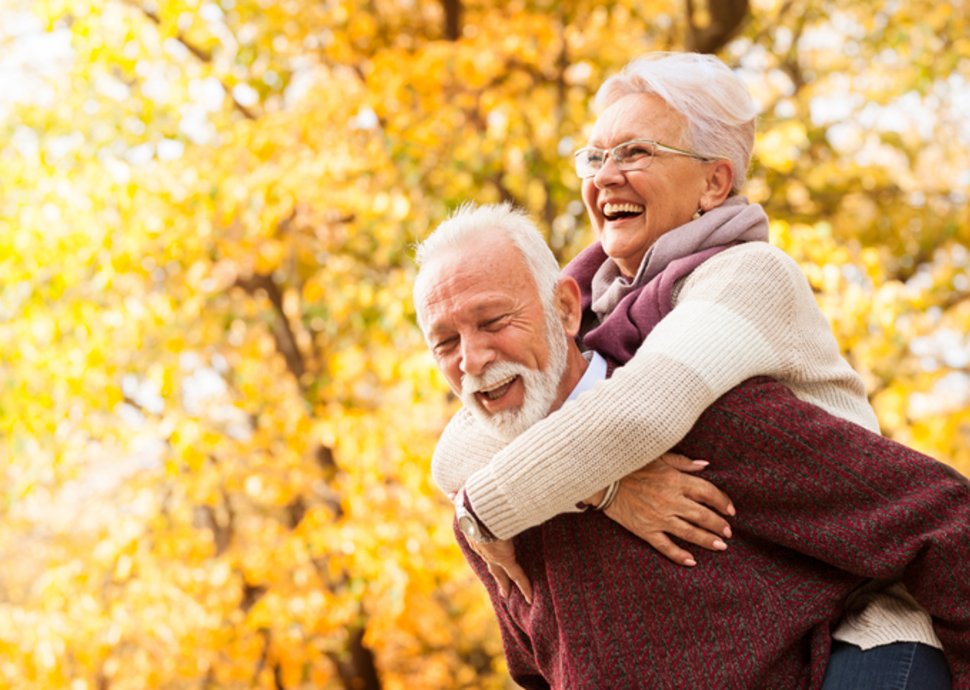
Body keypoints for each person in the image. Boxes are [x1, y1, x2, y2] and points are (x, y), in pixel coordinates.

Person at [423, 52, 967, 688]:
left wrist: (482, 510)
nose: (606, 177)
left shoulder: (748, 277)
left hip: (857, 611)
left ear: (714, 183)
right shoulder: (592, 302)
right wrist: (608, 491)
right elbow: (466, 439)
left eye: (636, 153)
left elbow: (640, 413)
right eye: (595, 158)